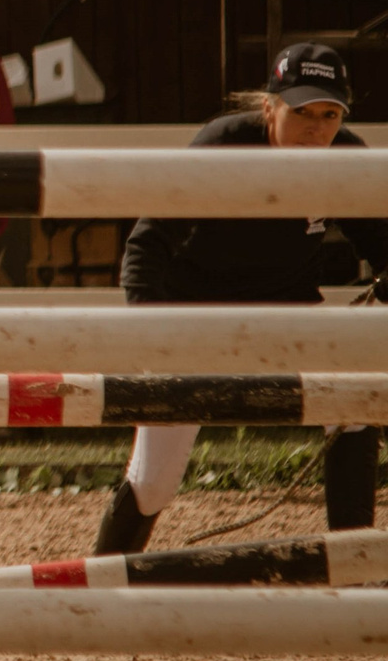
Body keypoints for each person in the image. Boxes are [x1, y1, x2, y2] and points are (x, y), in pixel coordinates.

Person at [93, 43, 388, 553]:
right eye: (302, 113)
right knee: (154, 481)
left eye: (330, 115)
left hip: (292, 316)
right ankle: (100, 588)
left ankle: (355, 567)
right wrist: (148, 329)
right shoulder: (223, 145)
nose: (317, 128)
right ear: (269, 107)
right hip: (194, 319)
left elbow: (384, 246)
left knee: (356, 401)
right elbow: (147, 241)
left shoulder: (344, 160)